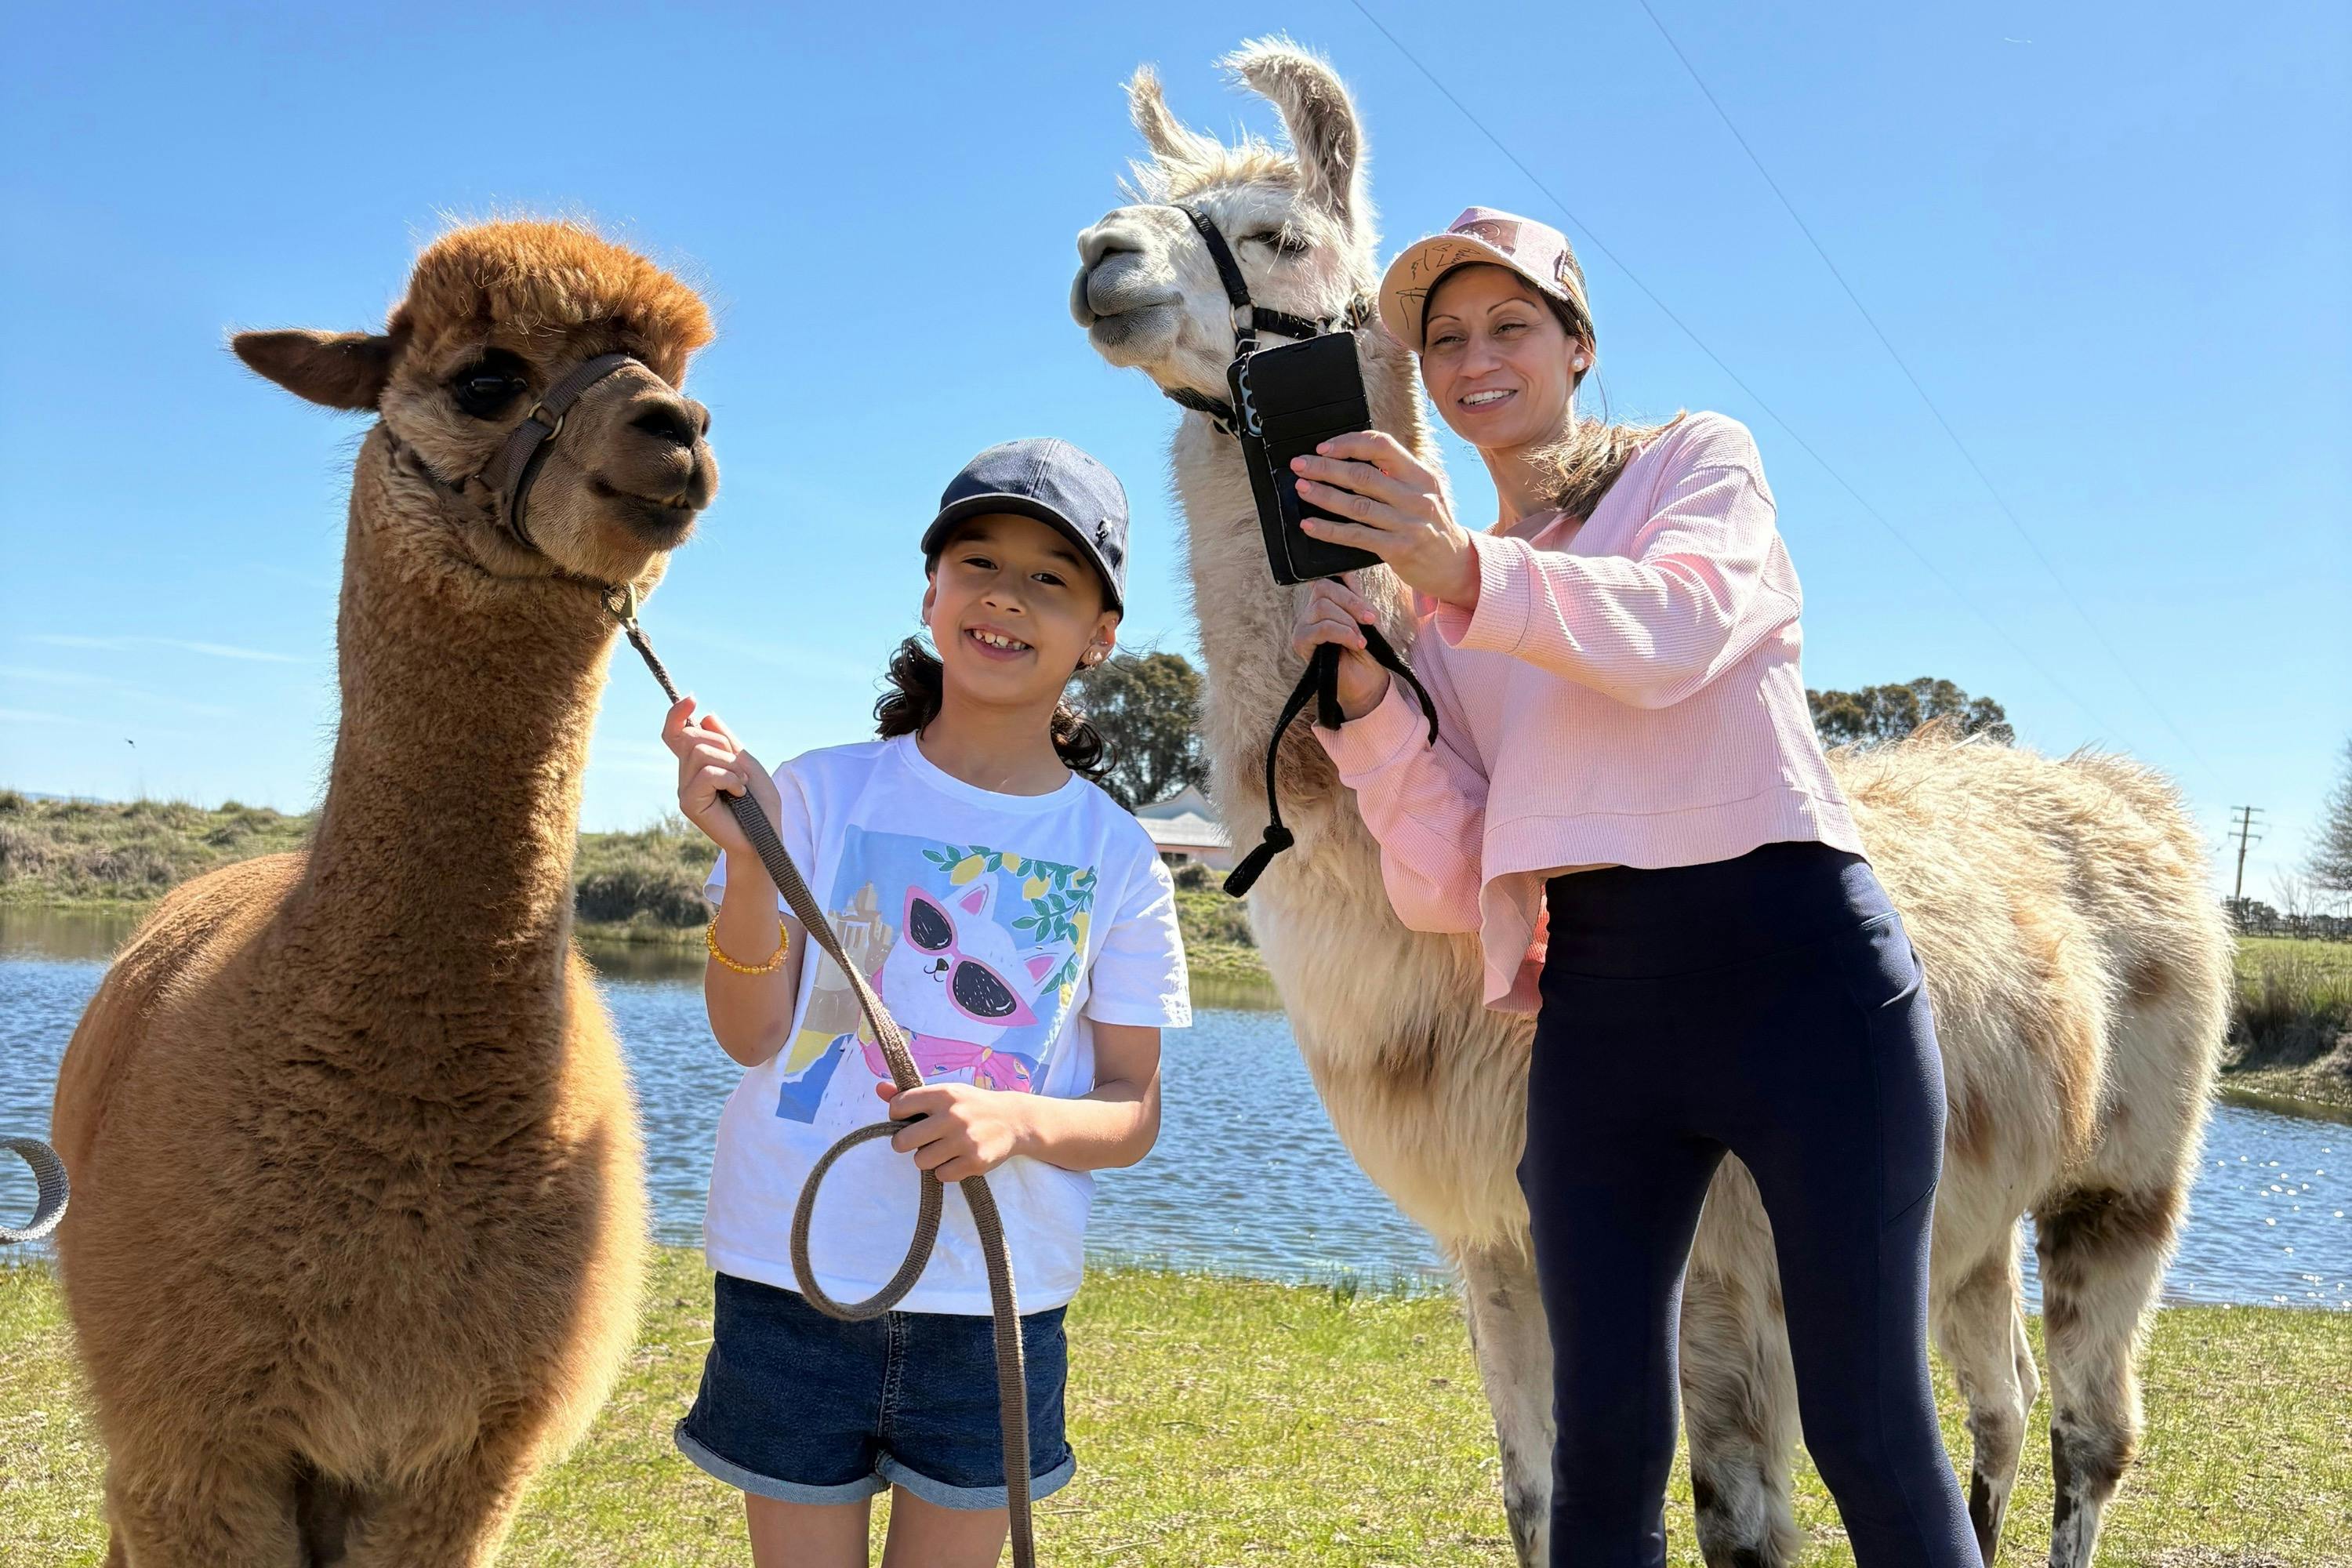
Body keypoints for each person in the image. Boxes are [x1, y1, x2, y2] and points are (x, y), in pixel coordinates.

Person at [1286, 208, 1976, 1566]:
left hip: (1807, 979)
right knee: (1604, 1440)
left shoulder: (1694, 465)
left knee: (1867, 1425)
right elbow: (1454, 877)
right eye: (1445, 340)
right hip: (1603, 1016)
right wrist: (1373, 715)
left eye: (1511, 326)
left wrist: (1461, 567)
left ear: (1578, 346)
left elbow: (1676, 632)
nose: (1477, 359)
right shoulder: (1446, 611)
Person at [661, 438, 1190, 1568]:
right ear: (932, 594)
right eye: (978, 562)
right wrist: (750, 863)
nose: (1006, 596)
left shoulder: (1119, 856)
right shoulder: (811, 792)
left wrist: (1017, 1122)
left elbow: (1133, 1109)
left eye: (1053, 577)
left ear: (1101, 633)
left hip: (994, 1311)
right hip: (790, 1285)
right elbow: (748, 1035)